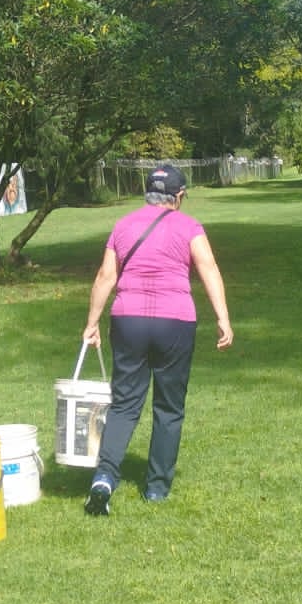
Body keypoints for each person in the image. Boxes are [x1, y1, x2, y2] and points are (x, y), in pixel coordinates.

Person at [81, 163, 233, 516]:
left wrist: (91, 323)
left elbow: (106, 276)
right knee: (169, 407)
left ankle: (104, 477)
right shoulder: (190, 226)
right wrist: (223, 318)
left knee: (124, 404)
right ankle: (156, 490)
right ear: (178, 197)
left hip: (128, 320)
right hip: (175, 321)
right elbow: (208, 268)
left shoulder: (123, 225)